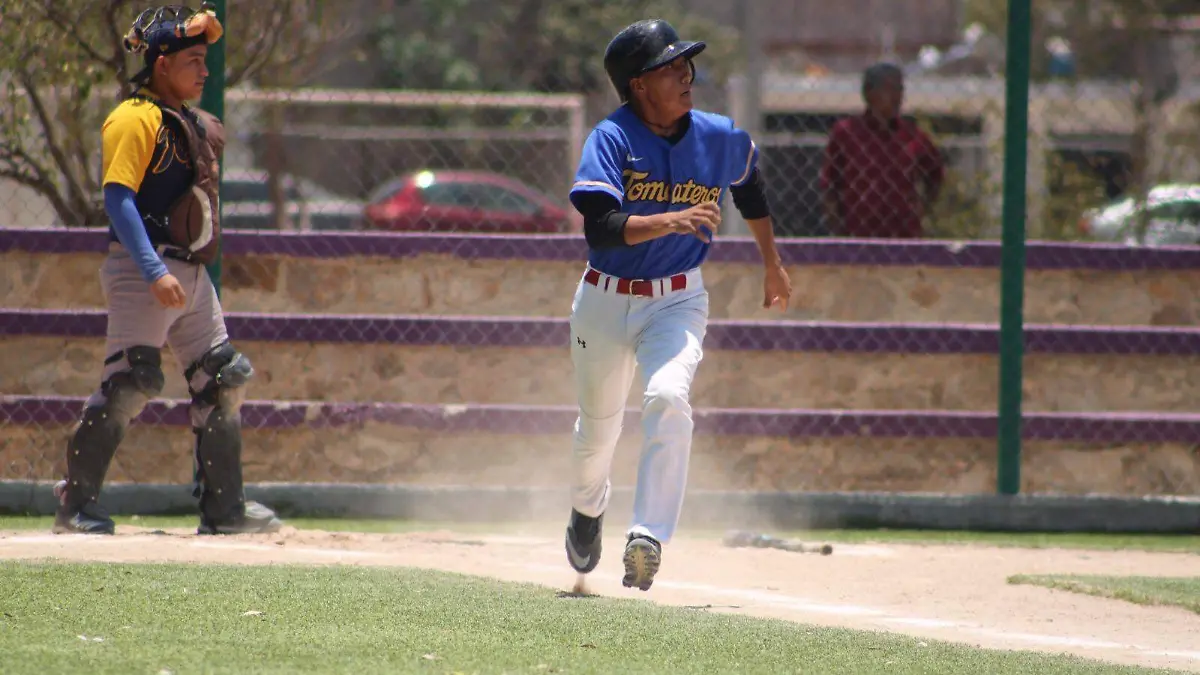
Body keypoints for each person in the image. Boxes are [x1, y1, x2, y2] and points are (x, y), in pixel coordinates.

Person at [563, 19, 791, 591]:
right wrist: (671, 219)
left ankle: (648, 536)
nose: (687, 75)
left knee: (667, 396)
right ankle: (587, 511)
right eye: (671, 67)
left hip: (678, 299)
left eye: (686, 65)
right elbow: (601, 228)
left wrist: (771, 261)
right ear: (639, 84)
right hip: (604, 301)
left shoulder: (715, 135)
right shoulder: (611, 138)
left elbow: (750, 185)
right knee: (598, 433)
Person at [52, 3, 283, 536]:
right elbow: (119, 200)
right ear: (161, 64)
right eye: (194, 60)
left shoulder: (186, 120)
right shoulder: (134, 118)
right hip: (145, 272)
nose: (205, 71)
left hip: (191, 274)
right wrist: (154, 269)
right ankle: (75, 505)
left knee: (223, 379)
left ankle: (225, 511)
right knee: (129, 381)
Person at [819, 62, 944, 238]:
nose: (896, 97)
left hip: (903, 234)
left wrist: (920, 208)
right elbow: (829, 182)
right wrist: (836, 224)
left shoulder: (912, 135)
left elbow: (935, 173)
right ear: (869, 94)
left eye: (899, 89)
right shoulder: (846, 133)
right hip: (858, 232)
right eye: (889, 89)